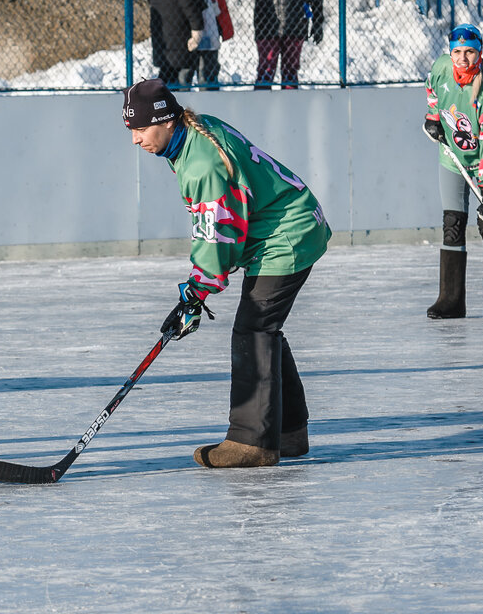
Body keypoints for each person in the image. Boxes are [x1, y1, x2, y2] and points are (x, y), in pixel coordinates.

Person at [122, 78, 331, 467]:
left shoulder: (201, 161)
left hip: (287, 235)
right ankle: (289, 432)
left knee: (254, 330)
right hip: (293, 224)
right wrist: (198, 289)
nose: (135, 139)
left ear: (166, 121)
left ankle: (252, 442)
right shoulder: (197, 129)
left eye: (140, 129)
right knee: (264, 328)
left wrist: (197, 290)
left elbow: (218, 232)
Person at [422, 24, 483, 321]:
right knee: (452, 222)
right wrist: (433, 117)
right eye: (457, 52)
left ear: (480, 53)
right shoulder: (441, 68)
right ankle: (450, 300)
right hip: (452, 157)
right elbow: (432, 90)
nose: (462, 58)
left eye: (470, 52)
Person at [246, 0, 322, 89]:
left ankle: (289, 106)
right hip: (267, 22)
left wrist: (318, 21)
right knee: (265, 72)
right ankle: (260, 106)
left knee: (290, 74)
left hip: (294, 23)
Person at [145, 0, 206, 88]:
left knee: (167, 73)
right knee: (181, 75)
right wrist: (196, 25)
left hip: (161, 20)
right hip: (179, 24)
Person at [190, 0, 247, 89]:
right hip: (187, 9)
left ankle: (209, 103)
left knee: (209, 68)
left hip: (213, 11)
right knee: (184, 72)